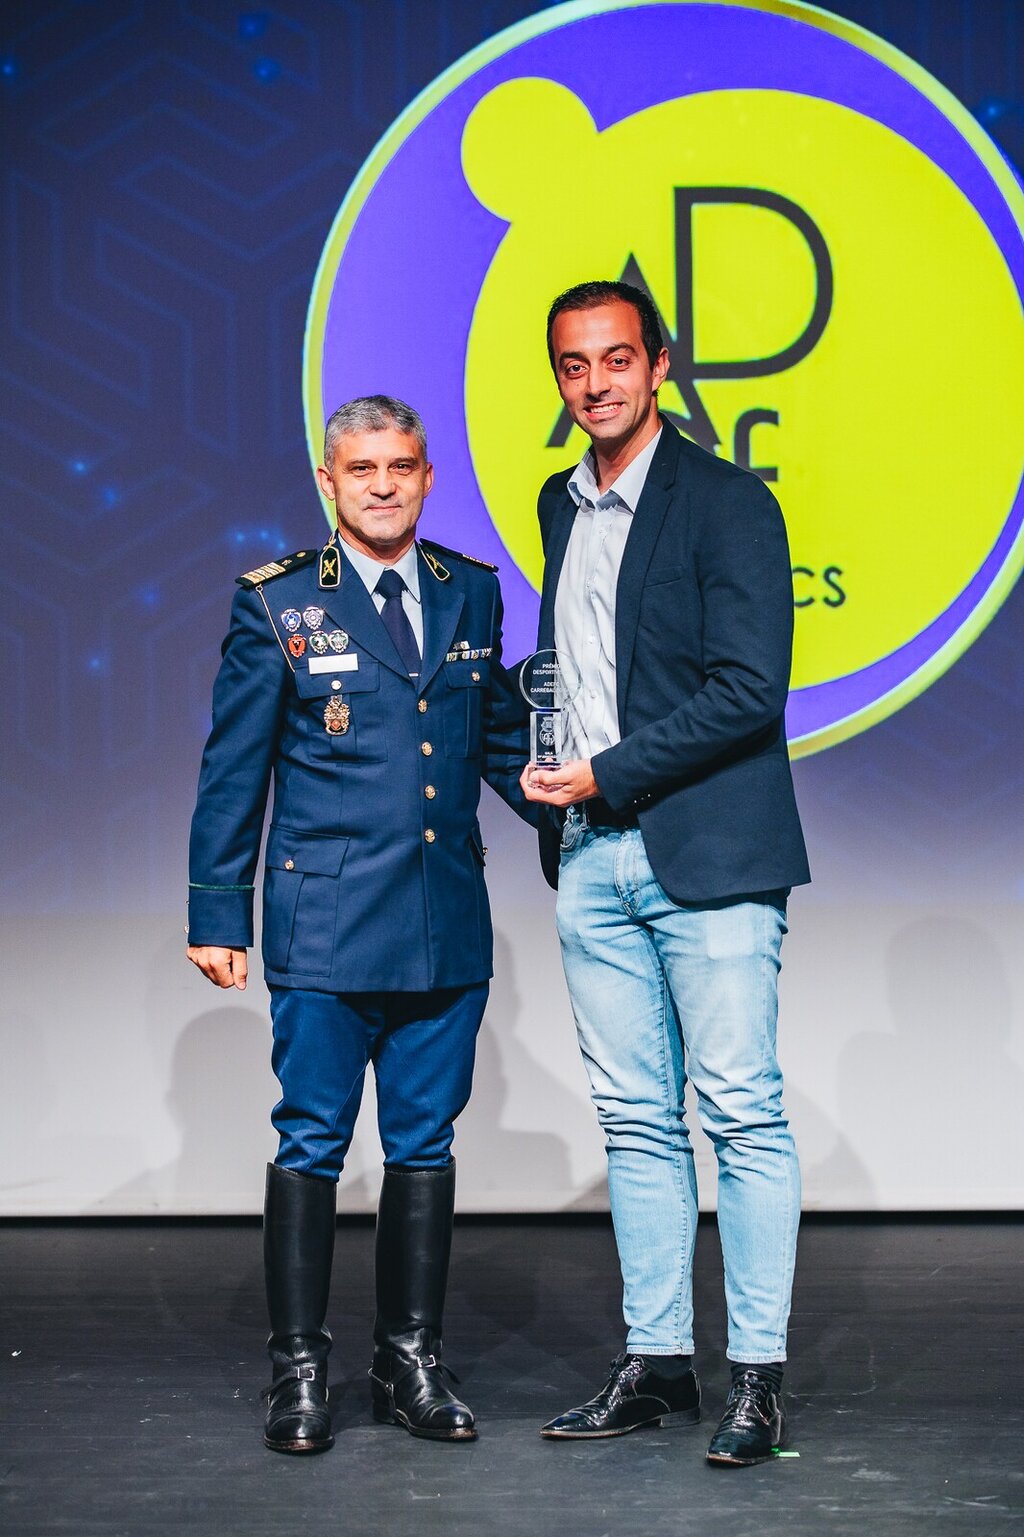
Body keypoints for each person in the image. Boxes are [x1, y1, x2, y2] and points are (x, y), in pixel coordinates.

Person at [186, 395, 532, 1453]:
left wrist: (589, 823)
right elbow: (234, 765)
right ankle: (298, 1371)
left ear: (428, 477)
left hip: (443, 923)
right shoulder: (280, 602)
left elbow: (498, 741)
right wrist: (217, 910)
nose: (383, 485)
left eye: (401, 466)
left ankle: (407, 1360)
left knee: (424, 1144)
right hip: (326, 925)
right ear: (328, 482)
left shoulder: (471, 590)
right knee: (313, 1141)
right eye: (362, 468)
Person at [521, 281, 810, 1467]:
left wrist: (605, 769)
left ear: (659, 365)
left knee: (739, 1109)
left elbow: (749, 689)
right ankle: (657, 1365)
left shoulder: (727, 501)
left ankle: (757, 1379)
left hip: (711, 849)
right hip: (592, 855)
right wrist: (549, 773)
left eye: (616, 359)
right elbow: (584, 669)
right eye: (574, 364)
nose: (595, 383)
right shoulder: (560, 501)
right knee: (635, 1119)